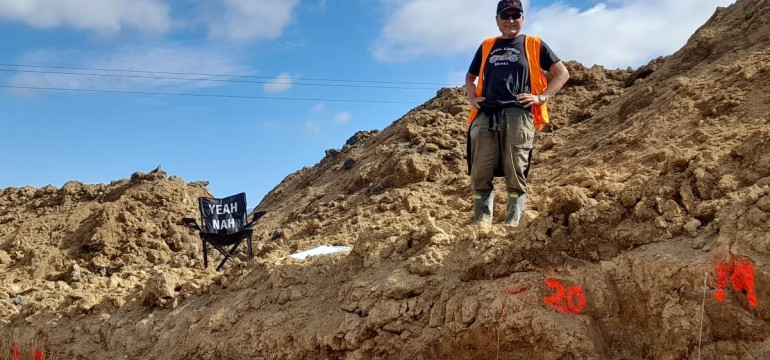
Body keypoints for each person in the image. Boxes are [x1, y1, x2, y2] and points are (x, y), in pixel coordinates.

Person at [465, 0, 569, 226]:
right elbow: (470, 77)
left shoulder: (533, 43)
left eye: (516, 16)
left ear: (522, 19)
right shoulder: (486, 46)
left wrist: (541, 97)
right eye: (505, 16)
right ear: (497, 20)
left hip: (518, 113)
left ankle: (512, 225)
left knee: (516, 168)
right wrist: (472, 98)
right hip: (486, 113)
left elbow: (561, 73)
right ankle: (482, 225)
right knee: (480, 169)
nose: (511, 21)